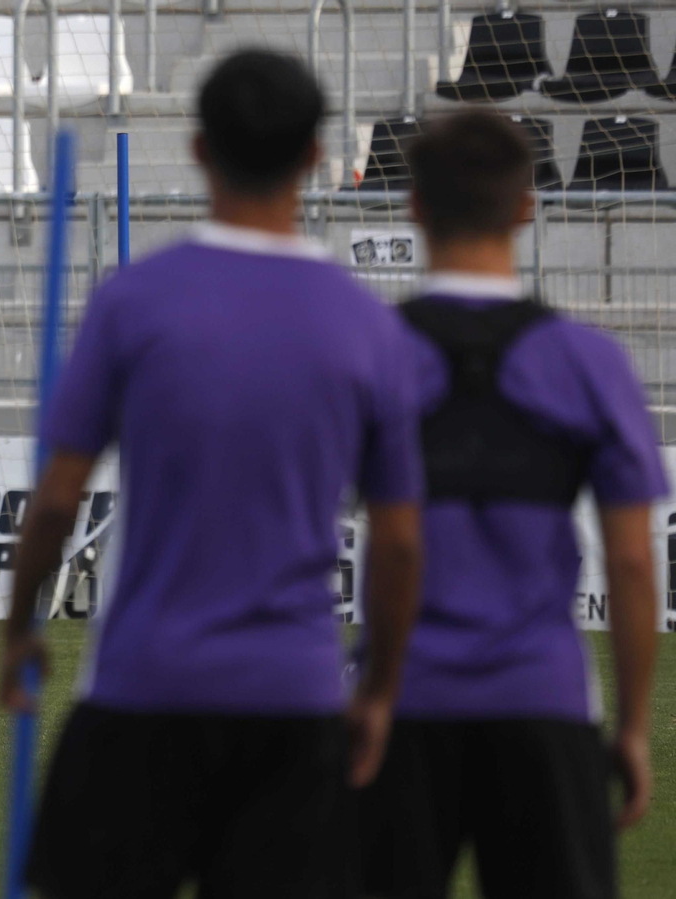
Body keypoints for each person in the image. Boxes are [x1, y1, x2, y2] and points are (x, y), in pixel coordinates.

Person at [0, 49, 426, 897]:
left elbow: (56, 498)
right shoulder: (366, 325)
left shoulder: (135, 300)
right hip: (295, 698)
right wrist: (378, 685)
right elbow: (404, 541)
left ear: (197, 150)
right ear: (314, 157)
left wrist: (19, 628)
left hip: (142, 690)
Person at [356, 110, 662, 899]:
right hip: (544, 701)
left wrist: (366, 692)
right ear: (528, 204)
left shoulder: (368, 353)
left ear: (414, 205)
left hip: (405, 703)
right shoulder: (590, 360)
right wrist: (631, 727)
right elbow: (631, 558)